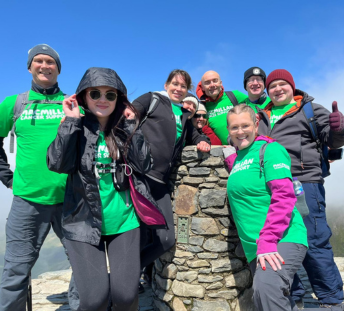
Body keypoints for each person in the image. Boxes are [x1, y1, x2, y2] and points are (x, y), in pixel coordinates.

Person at [47, 67, 157, 311]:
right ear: (84, 96)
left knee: (126, 296)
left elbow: (144, 164)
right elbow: (57, 163)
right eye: (95, 93)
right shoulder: (74, 126)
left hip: (125, 222)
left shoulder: (125, 126)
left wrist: (130, 126)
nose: (103, 100)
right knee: (93, 300)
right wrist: (72, 123)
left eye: (110, 95)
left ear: (119, 98)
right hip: (82, 222)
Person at [0, 44, 77, 311]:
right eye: (39, 61)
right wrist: (6, 177)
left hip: (71, 200)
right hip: (28, 201)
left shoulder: (71, 103)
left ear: (58, 68)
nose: (45, 65)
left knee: (82, 264)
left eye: (51, 62)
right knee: (16, 270)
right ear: (30, 66)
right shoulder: (14, 104)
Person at [259, 69, 344, 308]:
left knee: (314, 241)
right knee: (279, 240)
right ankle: (292, 295)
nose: (277, 89)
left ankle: (331, 299)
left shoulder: (311, 110)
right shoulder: (262, 115)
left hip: (303, 183)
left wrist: (339, 129)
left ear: (292, 87)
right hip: (272, 186)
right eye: (272, 86)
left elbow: (332, 140)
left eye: (282, 84)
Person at [225, 104, 310, 311]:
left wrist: (268, 239)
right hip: (256, 248)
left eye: (245, 125)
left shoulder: (271, 150)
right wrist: (230, 160)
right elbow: (247, 178)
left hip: (281, 239)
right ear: (228, 130)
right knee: (269, 300)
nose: (240, 131)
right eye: (234, 127)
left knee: (267, 289)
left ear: (255, 124)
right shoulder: (239, 158)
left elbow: (284, 195)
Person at [125, 69, 210, 270]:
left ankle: (129, 275)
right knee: (135, 236)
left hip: (160, 184)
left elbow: (196, 136)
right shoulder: (152, 99)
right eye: (175, 84)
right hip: (138, 178)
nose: (178, 89)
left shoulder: (183, 115)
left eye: (183, 86)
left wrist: (203, 142)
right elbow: (129, 114)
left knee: (166, 239)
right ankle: (122, 285)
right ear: (166, 85)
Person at [196, 70, 247, 145]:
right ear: (202, 87)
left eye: (215, 81)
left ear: (221, 83)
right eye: (207, 82)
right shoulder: (202, 107)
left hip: (245, 146)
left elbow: (256, 103)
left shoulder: (235, 95)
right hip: (223, 152)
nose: (212, 85)